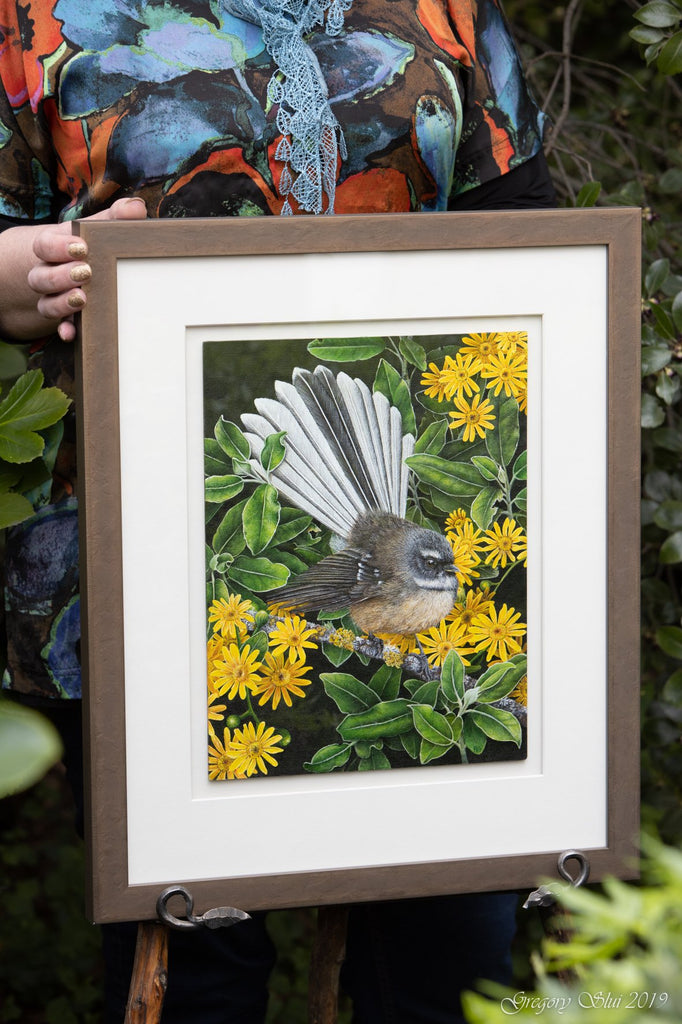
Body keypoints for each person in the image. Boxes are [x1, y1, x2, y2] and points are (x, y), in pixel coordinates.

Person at [0, 0, 555, 1021]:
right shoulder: (32, 18)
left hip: (436, 518)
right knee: (192, 965)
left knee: (451, 948)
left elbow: (539, 230)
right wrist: (16, 275)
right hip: (159, 550)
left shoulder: (448, 8)